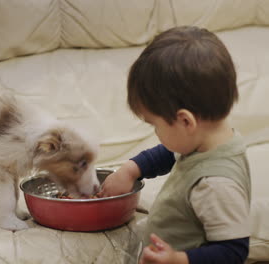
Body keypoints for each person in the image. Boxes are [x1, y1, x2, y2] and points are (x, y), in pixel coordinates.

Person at [98, 26, 251, 264]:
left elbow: (233, 251)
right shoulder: (207, 141)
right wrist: (130, 169)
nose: (156, 134)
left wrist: (178, 259)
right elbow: (169, 154)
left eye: (155, 125)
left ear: (185, 121)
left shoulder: (216, 184)